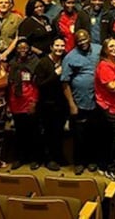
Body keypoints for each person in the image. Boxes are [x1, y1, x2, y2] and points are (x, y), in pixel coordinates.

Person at [62, 30, 104, 176]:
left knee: (95, 132)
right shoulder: (70, 57)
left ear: (89, 38)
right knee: (80, 135)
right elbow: (65, 83)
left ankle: (93, 160)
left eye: (84, 39)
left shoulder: (99, 50)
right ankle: (79, 162)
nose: (82, 42)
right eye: (79, 41)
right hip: (80, 101)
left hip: (98, 100)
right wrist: (71, 104)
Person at [34, 37, 67, 171]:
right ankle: (49, 159)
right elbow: (40, 84)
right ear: (51, 47)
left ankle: (58, 156)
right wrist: (55, 74)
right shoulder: (43, 63)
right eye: (57, 46)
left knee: (59, 132)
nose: (60, 48)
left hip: (61, 103)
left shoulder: (65, 61)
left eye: (62, 46)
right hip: (47, 104)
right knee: (48, 132)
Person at [8, 40, 41, 170]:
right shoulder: (12, 64)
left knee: (34, 132)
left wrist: (34, 102)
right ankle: (21, 158)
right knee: (20, 133)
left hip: (30, 101)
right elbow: (10, 85)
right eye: (19, 47)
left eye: (25, 47)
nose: (22, 49)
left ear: (29, 49)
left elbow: (37, 85)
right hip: (16, 102)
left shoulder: (35, 63)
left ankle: (35, 158)